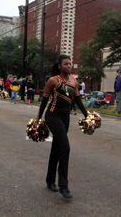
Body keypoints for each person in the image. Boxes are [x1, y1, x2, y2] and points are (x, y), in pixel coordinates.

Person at [36, 54, 88, 199]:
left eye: (69, 63)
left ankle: (50, 180)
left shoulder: (73, 81)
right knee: (65, 147)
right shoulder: (53, 80)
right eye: (65, 64)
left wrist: (86, 115)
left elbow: (77, 99)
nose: (68, 66)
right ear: (59, 66)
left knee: (57, 148)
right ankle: (63, 186)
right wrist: (38, 119)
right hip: (53, 116)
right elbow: (44, 101)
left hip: (65, 118)